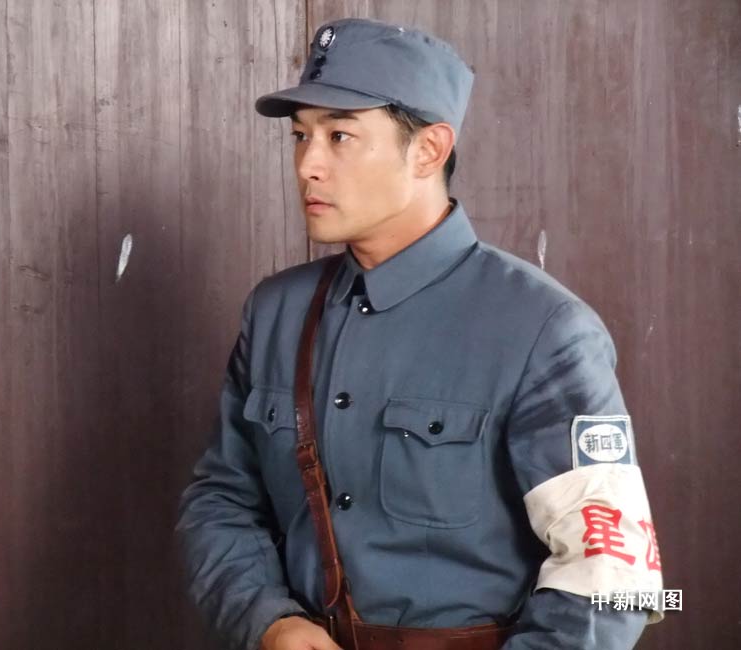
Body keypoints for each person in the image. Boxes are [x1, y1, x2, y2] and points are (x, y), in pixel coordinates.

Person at [176, 17, 664, 650]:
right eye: (300, 136)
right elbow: (222, 499)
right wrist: (269, 621)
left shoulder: (543, 330)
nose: (307, 165)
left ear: (429, 150)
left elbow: (612, 579)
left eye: (340, 135)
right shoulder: (277, 312)